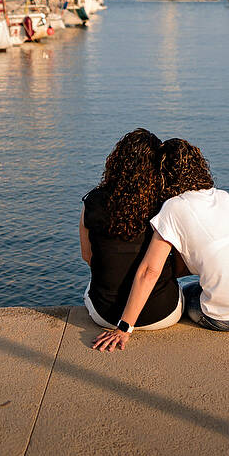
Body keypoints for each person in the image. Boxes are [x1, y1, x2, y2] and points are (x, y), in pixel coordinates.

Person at [92, 137, 229, 351]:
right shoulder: (225, 197)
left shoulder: (172, 208)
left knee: (185, 293)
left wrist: (124, 327)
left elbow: (150, 271)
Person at [80, 129, 184, 334]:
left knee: (92, 285)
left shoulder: (92, 202)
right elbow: (179, 264)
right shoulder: (166, 205)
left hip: (105, 316)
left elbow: (88, 257)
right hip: (161, 313)